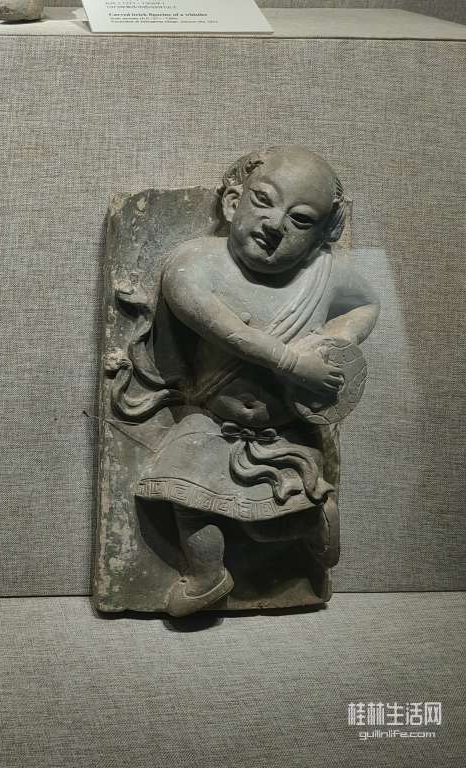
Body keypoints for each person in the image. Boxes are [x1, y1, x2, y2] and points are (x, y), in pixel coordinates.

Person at [131, 147, 380, 616]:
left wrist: (335, 340)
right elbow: (226, 331)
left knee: (264, 518)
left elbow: (366, 304)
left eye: (300, 220)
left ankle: (309, 523)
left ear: (323, 236)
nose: (275, 224)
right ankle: (207, 575)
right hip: (211, 422)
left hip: (285, 427)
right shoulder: (194, 263)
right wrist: (293, 362)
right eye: (263, 200)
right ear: (232, 202)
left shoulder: (324, 274)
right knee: (185, 495)